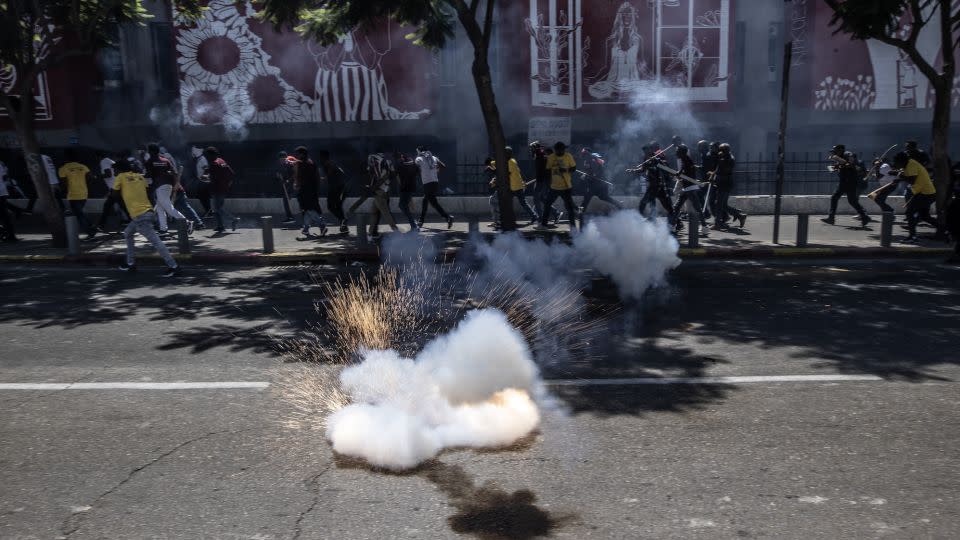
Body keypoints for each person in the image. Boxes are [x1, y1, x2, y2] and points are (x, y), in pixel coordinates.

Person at [113, 157, 180, 276]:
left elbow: (115, 196)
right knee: (128, 233)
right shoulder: (139, 177)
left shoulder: (120, 177)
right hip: (147, 212)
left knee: (156, 242)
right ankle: (130, 263)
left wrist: (126, 210)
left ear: (120, 169)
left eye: (115, 170)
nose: (114, 172)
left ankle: (173, 266)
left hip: (139, 216)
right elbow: (149, 192)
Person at [144, 143, 193, 236]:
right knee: (160, 208)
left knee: (168, 208)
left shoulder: (150, 161)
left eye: (149, 151)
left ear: (150, 151)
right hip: (168, 186)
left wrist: (140, 176)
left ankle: (187, 222)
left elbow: (149, 175)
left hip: (159, 186)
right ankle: (163, 229)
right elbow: (174, 172)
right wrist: (176, 184)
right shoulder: (165, 160)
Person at [894, 151, 941, 243]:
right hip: (926, 193)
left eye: (897, 162)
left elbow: (912, 180)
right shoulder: (909, 164)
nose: (896, 164)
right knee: (925, 216)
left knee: (909, 213)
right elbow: (907, 175)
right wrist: (897, 174)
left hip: (925, 194)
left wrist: (900, 177)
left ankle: (913, 237)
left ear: (902, 161)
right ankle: (945, 230)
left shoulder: (911, 165)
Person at [822, 144, 871, 227]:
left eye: (836, 150)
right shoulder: (841, 157)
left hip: (848, 182)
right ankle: (864, 217)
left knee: (835, 197)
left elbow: (851, 164)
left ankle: (831, 218)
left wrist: (842, 165)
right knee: (852, 201)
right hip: (846, 182)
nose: (835, 153)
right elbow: (845, 166)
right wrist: (836, 167)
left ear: (841, 150)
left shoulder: (847, 154)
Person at [491, 146, 539, 225]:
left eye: (506, 153)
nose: (504, 155)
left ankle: (501, 219)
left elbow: (506, 174)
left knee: (518, 203)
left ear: (509, 154)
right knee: (518, 203)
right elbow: (494, 163)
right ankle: (533, 216)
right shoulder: (510, 161)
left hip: (515, 187)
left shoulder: (511, 162)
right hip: (515, 186)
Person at [537, 141, 578, 231]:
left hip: (566, 187)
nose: (558, 152)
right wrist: (548, 183)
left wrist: (566, 170)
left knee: (569, 208)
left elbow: (574, 168)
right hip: (554, 187)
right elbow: (547, 170)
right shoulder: (551, 157)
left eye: (560, 150)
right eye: (557, 150)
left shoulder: (568, 156)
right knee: (547, 205)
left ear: (563, 150)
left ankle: (573, 227)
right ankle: (544, 225)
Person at [670, 145, 710, 236]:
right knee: (679, 207)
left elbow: (688, 174)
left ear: (682, 152)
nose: (675, 153)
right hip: (688, 188)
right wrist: (679, 174)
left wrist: (679, 175)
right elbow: (685, 172)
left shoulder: (687, 161)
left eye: (677, 151)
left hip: (690, 189)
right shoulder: (685, 160)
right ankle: (672, 226)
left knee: (694, 208)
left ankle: (704, 227)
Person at [634, 142, 675, 226]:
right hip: (652, 186)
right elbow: (643, 169)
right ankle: (649, 219)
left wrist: (656, 161)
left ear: (650, 150)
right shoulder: (646, 158)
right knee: (646, 203)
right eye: (644, 152)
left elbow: (665, 167)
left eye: (647, 151)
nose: (645, 153)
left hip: (659, 186)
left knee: (667, 206)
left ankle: (676, 222)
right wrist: (633, 170)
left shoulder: (657, 157)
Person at [58, 149, 96, 239]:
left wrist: (62, 192)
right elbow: (91, 178)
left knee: (79, 214)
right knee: (80, 213)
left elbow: (64, 183)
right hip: (83, 192)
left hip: (72, 194)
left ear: (66, 157)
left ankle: (91, 230)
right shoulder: (83, 167)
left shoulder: (63, 168)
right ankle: (91, 226)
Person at [291, 146, 328, 238]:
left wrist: (297, 184)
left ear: (302, 154)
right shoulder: (311, 162)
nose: (297, 155)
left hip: (306, 190)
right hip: (312, 190)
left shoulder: (303, 163)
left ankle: (322, 225)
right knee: (307, 209)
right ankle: (306, 229)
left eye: (298, 154)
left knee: (309, 209)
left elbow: (299, 176)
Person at [203, 147, 240, 233]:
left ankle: (233, 219)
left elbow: (210, 178)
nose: (206, 157)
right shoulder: (221, 161)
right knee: (218, 208)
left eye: (207, 155)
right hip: (223, 189)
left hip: (216, 189)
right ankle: (220, 226)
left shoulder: (214, 164)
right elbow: (231, 174)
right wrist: (227, 185)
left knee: (217, 208)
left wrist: (204, 177)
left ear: (210, 155)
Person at [416, 146, 454, 229]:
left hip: (427, 183)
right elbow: (443, 166)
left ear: (419, 151)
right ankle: (421, 220)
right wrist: (435, 172)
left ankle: (447, 217)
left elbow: (416, 170)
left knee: (432, 202)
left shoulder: (418, 159)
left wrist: (423, 174)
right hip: (435, 182)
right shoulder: (433, 157)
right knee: (427, 200)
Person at [578, 148, 620, 219]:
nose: (583, 155)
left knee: (586, 200)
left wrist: (591, 175)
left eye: (585, 154)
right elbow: (590, 171)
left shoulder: (593, 159)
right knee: (603, 197)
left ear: (588, 153)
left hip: (596, 184)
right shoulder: (588, 160)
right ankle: (618, 204)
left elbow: (596, 171)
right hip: (595, 184)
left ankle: (580, 214)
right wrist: (585, 175)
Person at [712, 143, 747, 229]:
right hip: (724, 184)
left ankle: (718, 224)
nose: (719, 152)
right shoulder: (724, 157)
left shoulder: (729, 159)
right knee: (722, 205)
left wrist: (717, 176)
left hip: (725, 184)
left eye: (721, 150)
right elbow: (718, 170)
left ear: (725, 151)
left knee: (719, 204)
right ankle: (739, 215)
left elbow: (724, 173)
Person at [366, 150, 400, 237]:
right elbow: (393, 175)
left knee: (386, 214)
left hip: (379, 191)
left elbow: (383, 176)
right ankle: (371, 233)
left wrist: (374, 186)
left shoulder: (374, 159)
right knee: (374, 212)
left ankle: (397, 232)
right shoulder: (388, 161)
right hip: (385, 190)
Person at [94, 151, 129, 231]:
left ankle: (101, 225)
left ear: (98, 157)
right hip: (116, 186)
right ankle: (101, 225)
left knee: (118, 206)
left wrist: (97, 176)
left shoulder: (103, 162)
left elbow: (108, 174)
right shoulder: (110, 161)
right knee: (110, 206)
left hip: (115, 187)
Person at [529, 141, 561, 224]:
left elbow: (546, 169)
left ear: (535, 148)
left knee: (536, 198)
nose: (530, 150)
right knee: (542, 198)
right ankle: (556, 213)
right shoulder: (540, 155)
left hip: (542, 181)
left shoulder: (541, 155)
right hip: (543, 180)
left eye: (531, 148)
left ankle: (541, 218)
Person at [318, 150, 349, 232]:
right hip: (336, 188)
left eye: (320, 157)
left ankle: (343, 222)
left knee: (333, 206)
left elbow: (332, 173)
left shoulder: (329, 164)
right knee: (335, 206)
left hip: (338, 188)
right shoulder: (330, 164)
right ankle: (343, 224)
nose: (319, 159)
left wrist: (324, 178)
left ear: (323, 158)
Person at [395, 152, 420, 230]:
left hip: (405, 188)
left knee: (402, 205)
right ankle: (414, 222)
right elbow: (418, 173)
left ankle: (414, 224)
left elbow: (397, 176)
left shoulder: (400, 165)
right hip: (411, 187)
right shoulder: (413, 165)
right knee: (407, 204)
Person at [276, 151, 296, 224]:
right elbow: (279, 174)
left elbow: (294, 174)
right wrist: (278, 176)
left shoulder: (290, 164)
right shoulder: (281, 165)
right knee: (286, 201)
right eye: (280, 159)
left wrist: (288, 180)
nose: (281, 160)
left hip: (293, 186)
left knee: (289, 200)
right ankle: (289, 217)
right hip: (286, 187)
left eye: (283, 159)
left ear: (285, 158)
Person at [192, 146, 212, 217]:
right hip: (202, 181)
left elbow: (206, 169)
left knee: (204, 197)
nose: (192, 153)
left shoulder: (202, 159)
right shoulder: (199, 159)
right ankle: (208, 211)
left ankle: (209, 212)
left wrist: (203, 178)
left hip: (204, 182)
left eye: (193, 151)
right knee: (202, 197)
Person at [0, 169, 17, 242]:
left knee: (4, 215)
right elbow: (5, 176)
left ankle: (6, 233)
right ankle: (10, 235)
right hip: (2, 191)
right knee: (4, 215)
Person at [484, 157, 501, 229]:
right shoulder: (494, 164)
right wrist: (493, 181)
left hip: (503, 188)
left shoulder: (492, 163)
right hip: (501, 188)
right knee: (494, 202)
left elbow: (499, 173)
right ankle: (497, 221)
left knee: (492, 201)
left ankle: (497, 222)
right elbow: (497, 175)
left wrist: (489, 168)